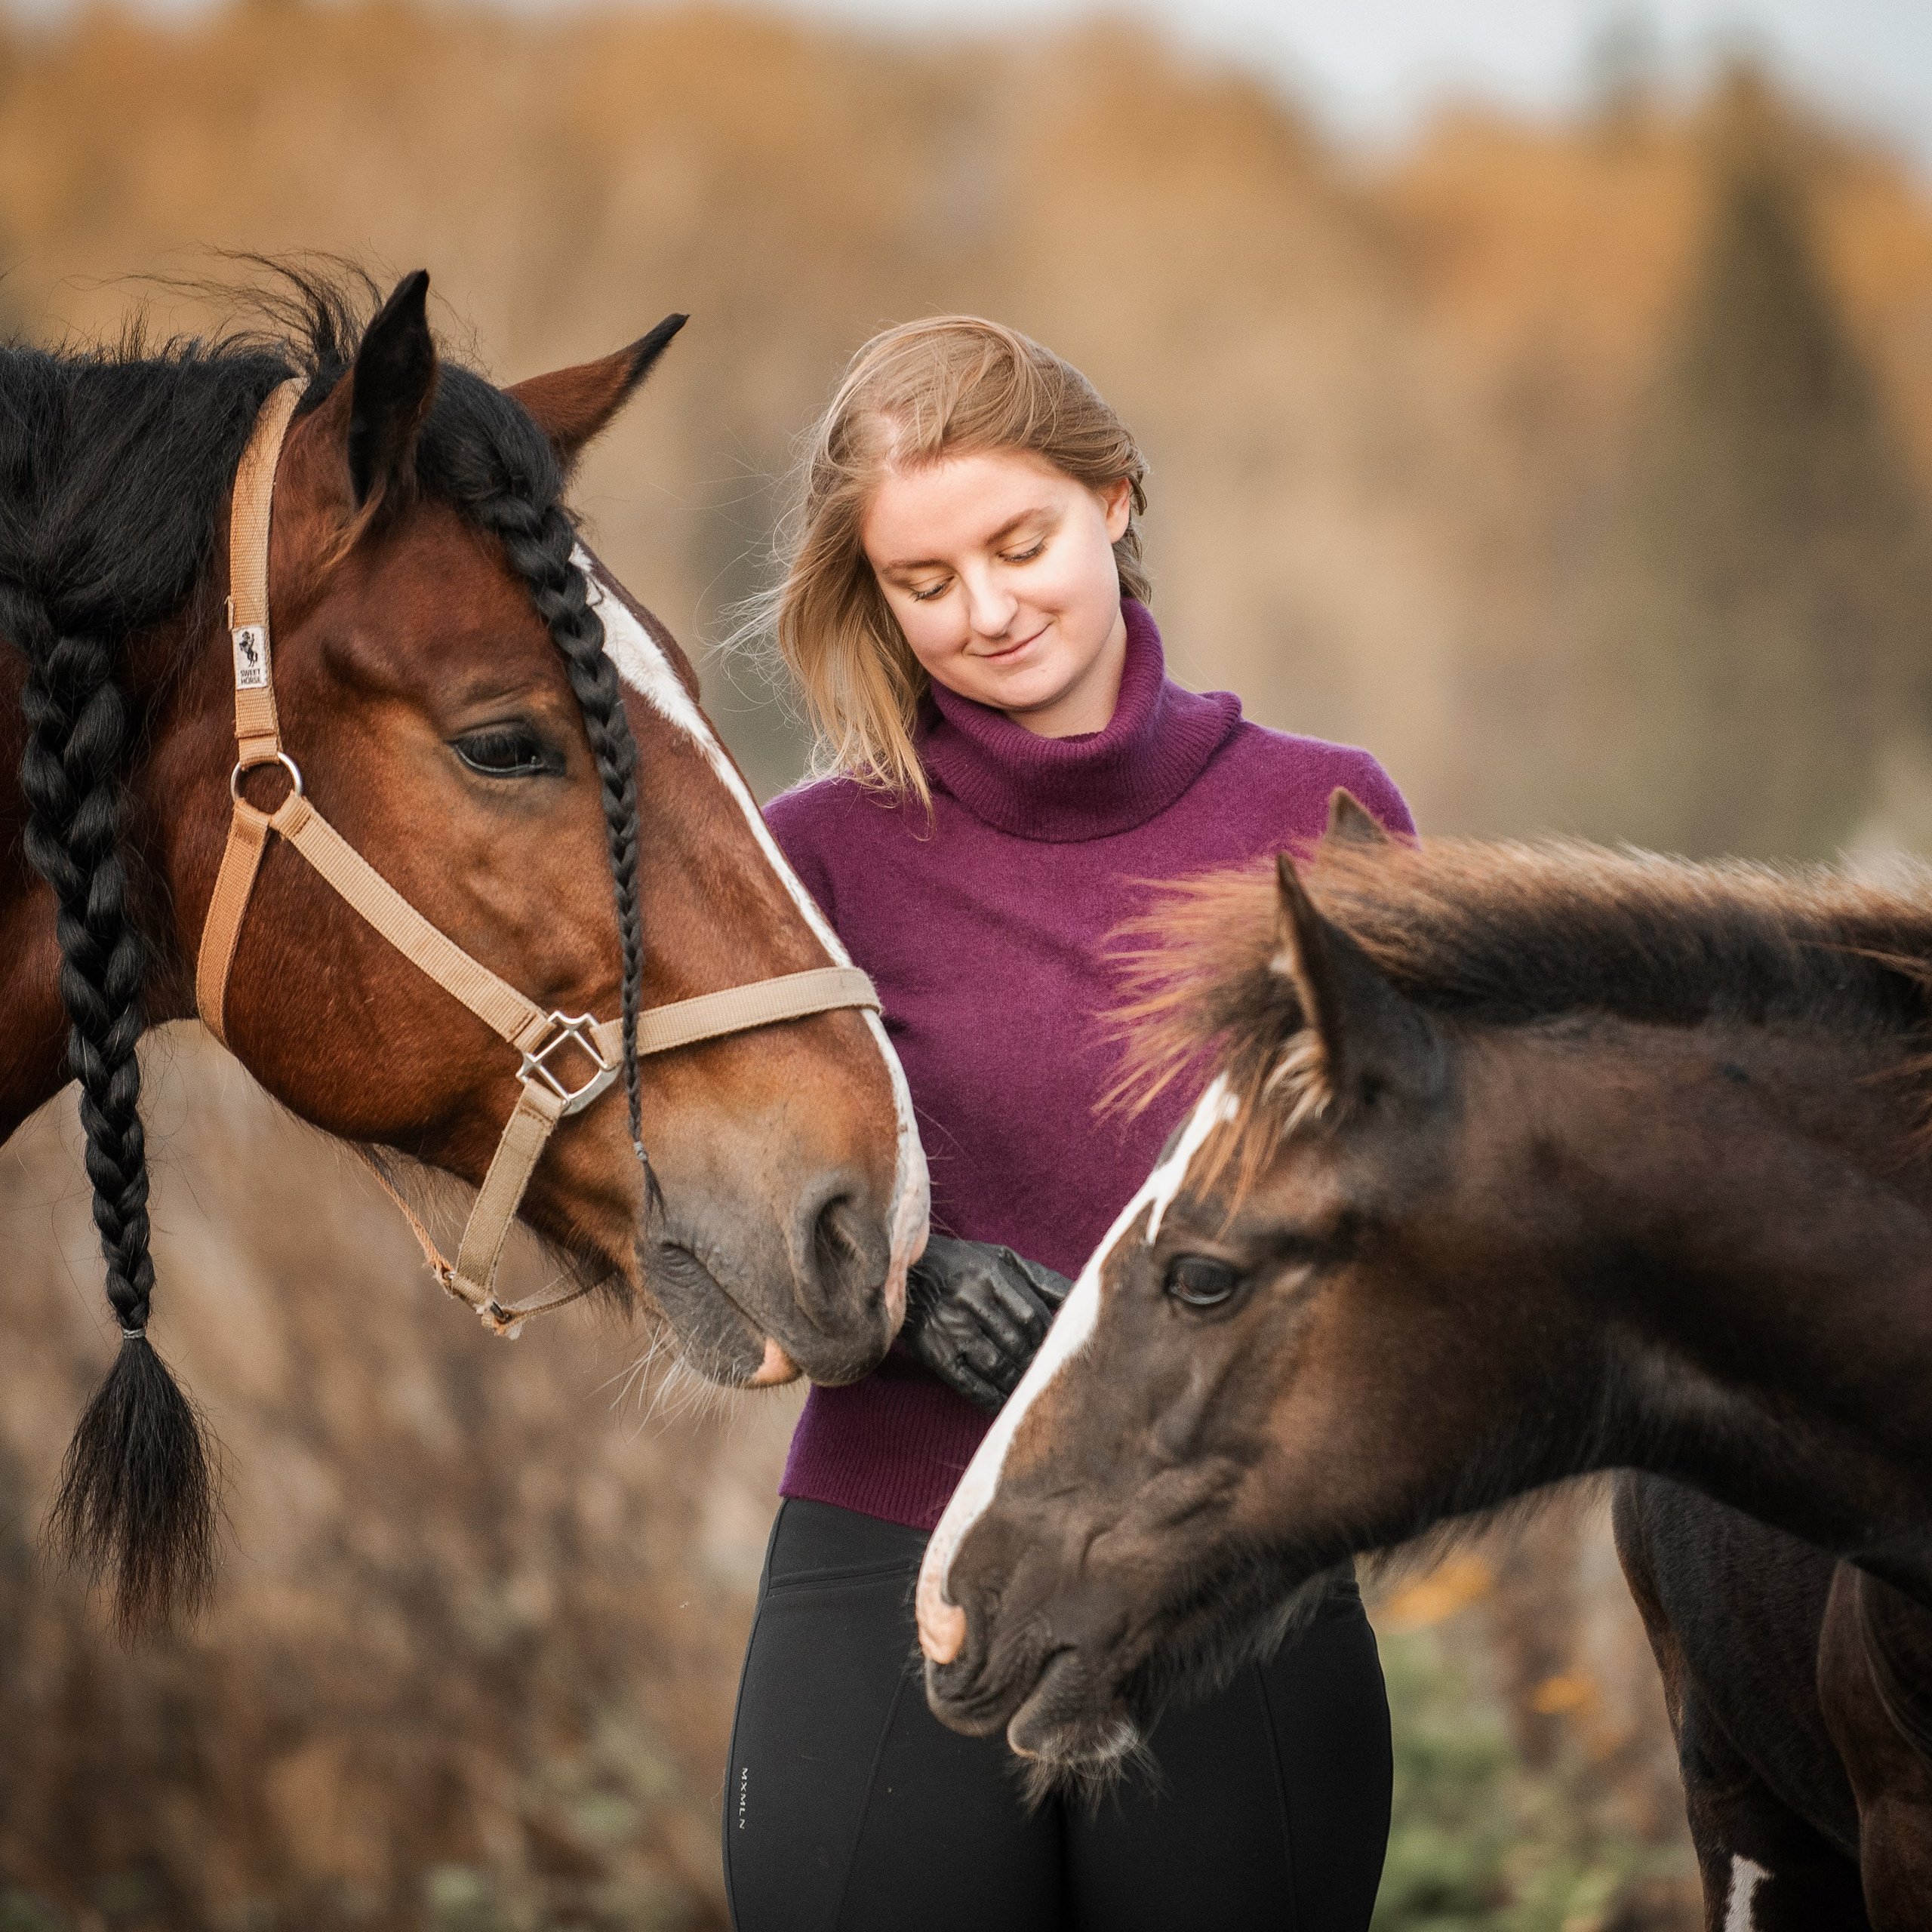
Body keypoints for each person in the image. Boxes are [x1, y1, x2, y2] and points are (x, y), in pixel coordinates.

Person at [724, 316, 1410, 1931]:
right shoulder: (807, 856)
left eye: (1017, 543)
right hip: (887, 1544)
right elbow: (715, 1229)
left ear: (1113, 498)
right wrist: (904, 1288)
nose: (983, 612)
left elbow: (1415, 1214)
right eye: (922, 580)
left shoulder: (1327, 817)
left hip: (1230, 1563)